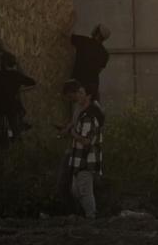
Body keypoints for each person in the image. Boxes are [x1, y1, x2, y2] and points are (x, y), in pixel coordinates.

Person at [59, 80, 105, 218]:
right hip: (79, 156)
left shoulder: (91, 114)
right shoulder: (82, 111)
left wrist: (72, 133)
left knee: (84, 191)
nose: (78, 95)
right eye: (78, 92)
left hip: (86, 157)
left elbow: (87, 141)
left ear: (88, 95)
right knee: (77, 190)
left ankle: (91, 218)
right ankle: (85, 216)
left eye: (81, 92)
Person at [0, 52, 37, 150]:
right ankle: (17, 149)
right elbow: (33, 83)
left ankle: (0, 148)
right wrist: (19, 90)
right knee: (15, 129)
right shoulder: (16, 75)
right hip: (10, 105)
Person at [62, 14, 110, 101]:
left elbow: (65, 34)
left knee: (77, 111)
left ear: (97, 34)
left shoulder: (84, 42)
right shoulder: (105, 54)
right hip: (92, 87)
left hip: (77, 86)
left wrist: (71, 21)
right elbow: (99, 71)